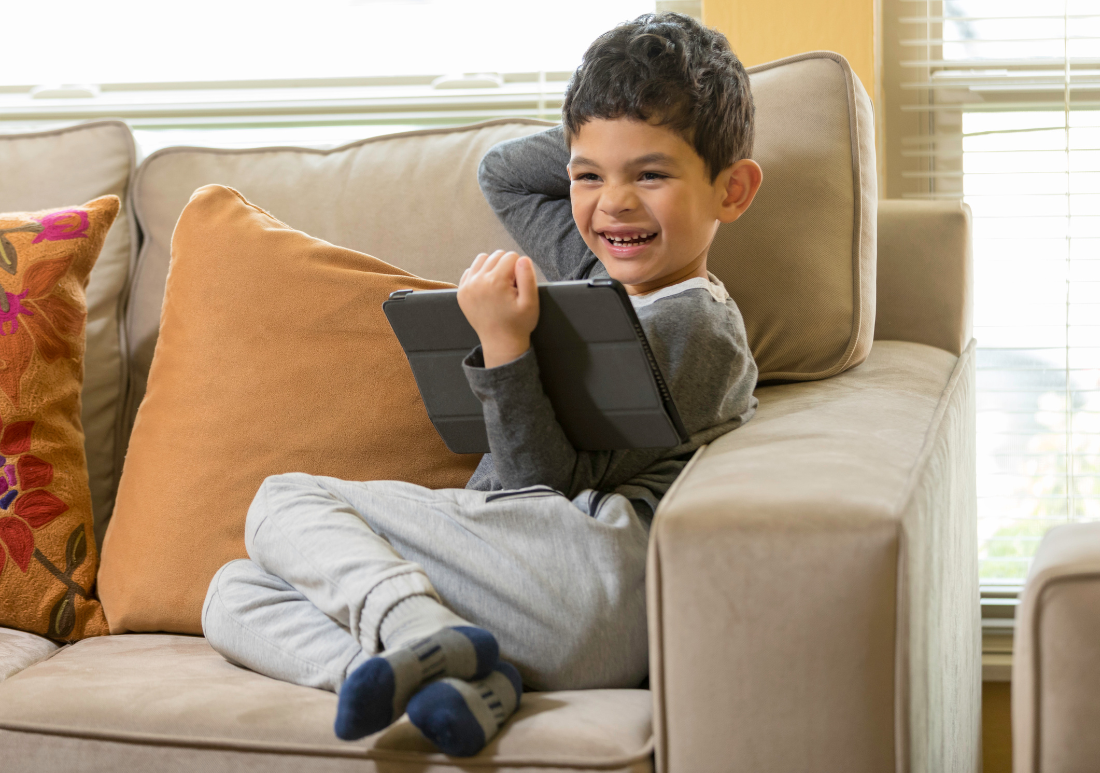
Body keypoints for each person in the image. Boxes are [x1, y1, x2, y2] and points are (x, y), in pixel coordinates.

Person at [201, 11, 761, 758]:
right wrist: (593, 133)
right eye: (589, 175)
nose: (614, 203)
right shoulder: (605, 265)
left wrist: (503, 347)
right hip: (543, 598)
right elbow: (503, 169)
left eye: (650, 174)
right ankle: (451, 677)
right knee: (233, 591)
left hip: (596, 578)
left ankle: (418, 633)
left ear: (734, 190)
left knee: (284, 499)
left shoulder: (696, 325)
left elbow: (544, 486)